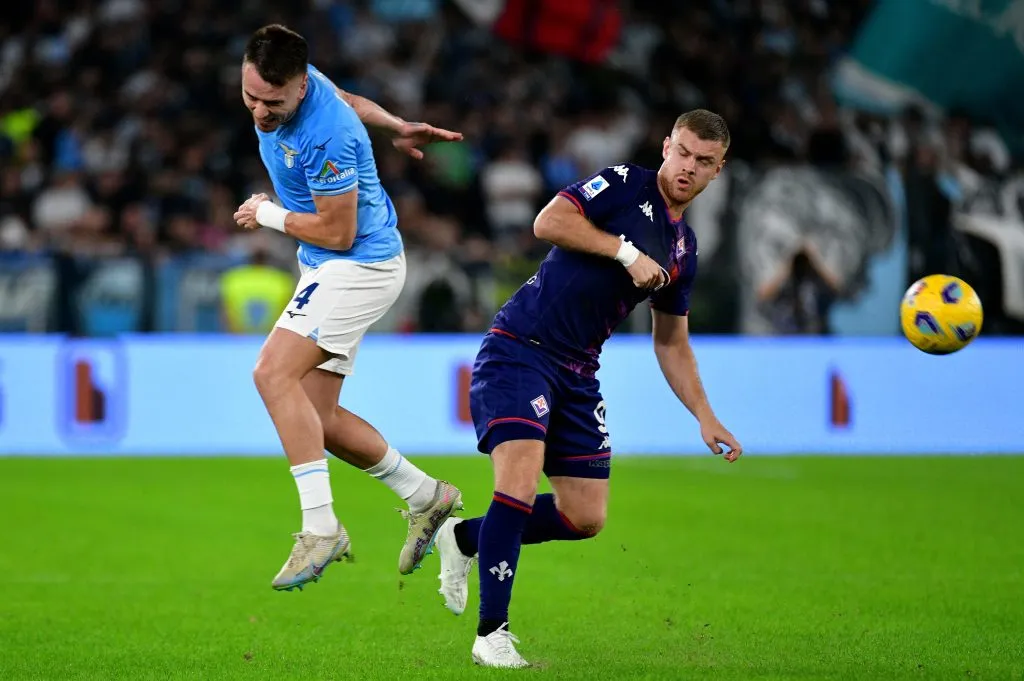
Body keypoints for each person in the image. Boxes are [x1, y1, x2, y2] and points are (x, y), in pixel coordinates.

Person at [432, 110, 744, 667]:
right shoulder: (625, 184)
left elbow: (671, 343)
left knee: (585, 517)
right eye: (683, 153)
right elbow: (548, 222)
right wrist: (625, 253)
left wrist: (705, 414)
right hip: (520, 349)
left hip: (579, 372)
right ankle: (491, 634)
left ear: (717, 171)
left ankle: (462, 539)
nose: (688, 168)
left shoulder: (683, 250)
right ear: (667, 145)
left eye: (704, 163)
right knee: (519, 482)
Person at [231, 24, 464, 592]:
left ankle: (321, 527)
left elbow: (338, 232)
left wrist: (264, 213)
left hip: (358, 264)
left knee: (270, 372)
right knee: (320, 419)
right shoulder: (310, 87)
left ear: (301, 88)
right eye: (251, 96)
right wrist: (393, 125)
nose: (260, 111)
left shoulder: (327, 135)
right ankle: (427, 496)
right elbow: (351, 98)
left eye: (273, 102)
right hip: (329, 264)